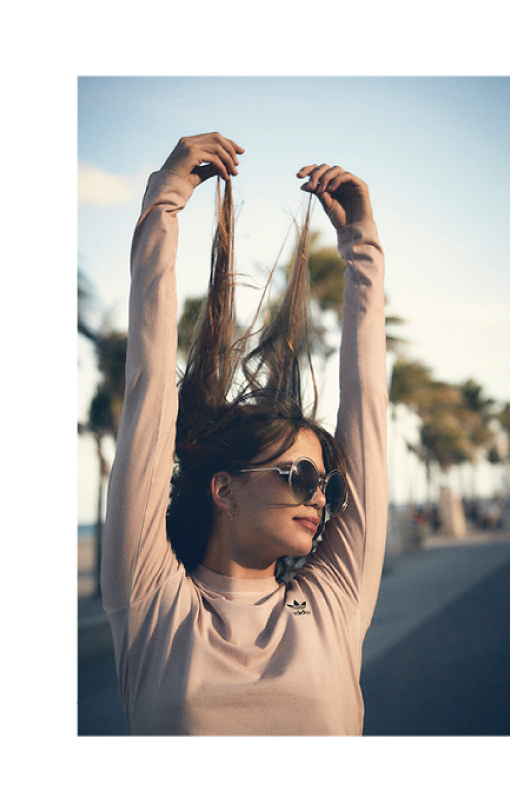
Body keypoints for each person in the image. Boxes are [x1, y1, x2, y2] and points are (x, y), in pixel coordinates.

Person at [101, 133, 388, 735]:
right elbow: (149, 391)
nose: (319, 496)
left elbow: (367, 411)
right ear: (224, 489)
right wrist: (166, 200)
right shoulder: (152, 601)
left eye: (326, 483)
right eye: (301, 476)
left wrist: (363, 248)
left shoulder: (337, 599)